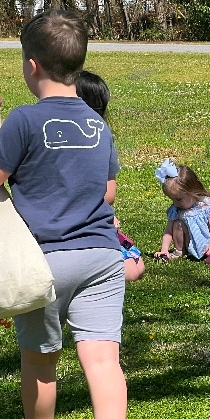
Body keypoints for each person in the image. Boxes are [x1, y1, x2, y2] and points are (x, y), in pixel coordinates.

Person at [0, 10, 131, 419]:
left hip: (46, 263)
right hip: (103, 256)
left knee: (41, 362)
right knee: (104, 361)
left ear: (31, 65)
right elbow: (108, 192)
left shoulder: (25, 119)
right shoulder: (98, 124)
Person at [75, 70, 145, 282]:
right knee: (131, 270)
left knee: (137, 266)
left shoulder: (101, 139)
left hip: (94, 218)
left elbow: (109, 192)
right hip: (76, 227)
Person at [153, 159, 210, 264]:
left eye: (179, 199)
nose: (175, 203)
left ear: (192, 191)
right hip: (191, 243)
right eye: (172, 199)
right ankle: (180, 251)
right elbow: (168, 232)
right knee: (177, 224)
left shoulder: (206, 206)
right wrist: (164, 249)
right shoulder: (177, 209)